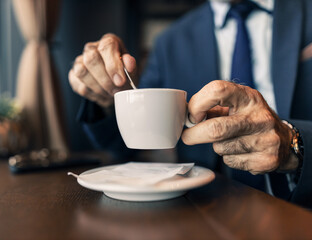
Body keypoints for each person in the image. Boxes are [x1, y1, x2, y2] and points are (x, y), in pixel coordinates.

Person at [68, 0, 312, 208]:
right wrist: (105, 97)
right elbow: (124, 145)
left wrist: (295, 144)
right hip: (202, 211)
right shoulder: (170, 42)